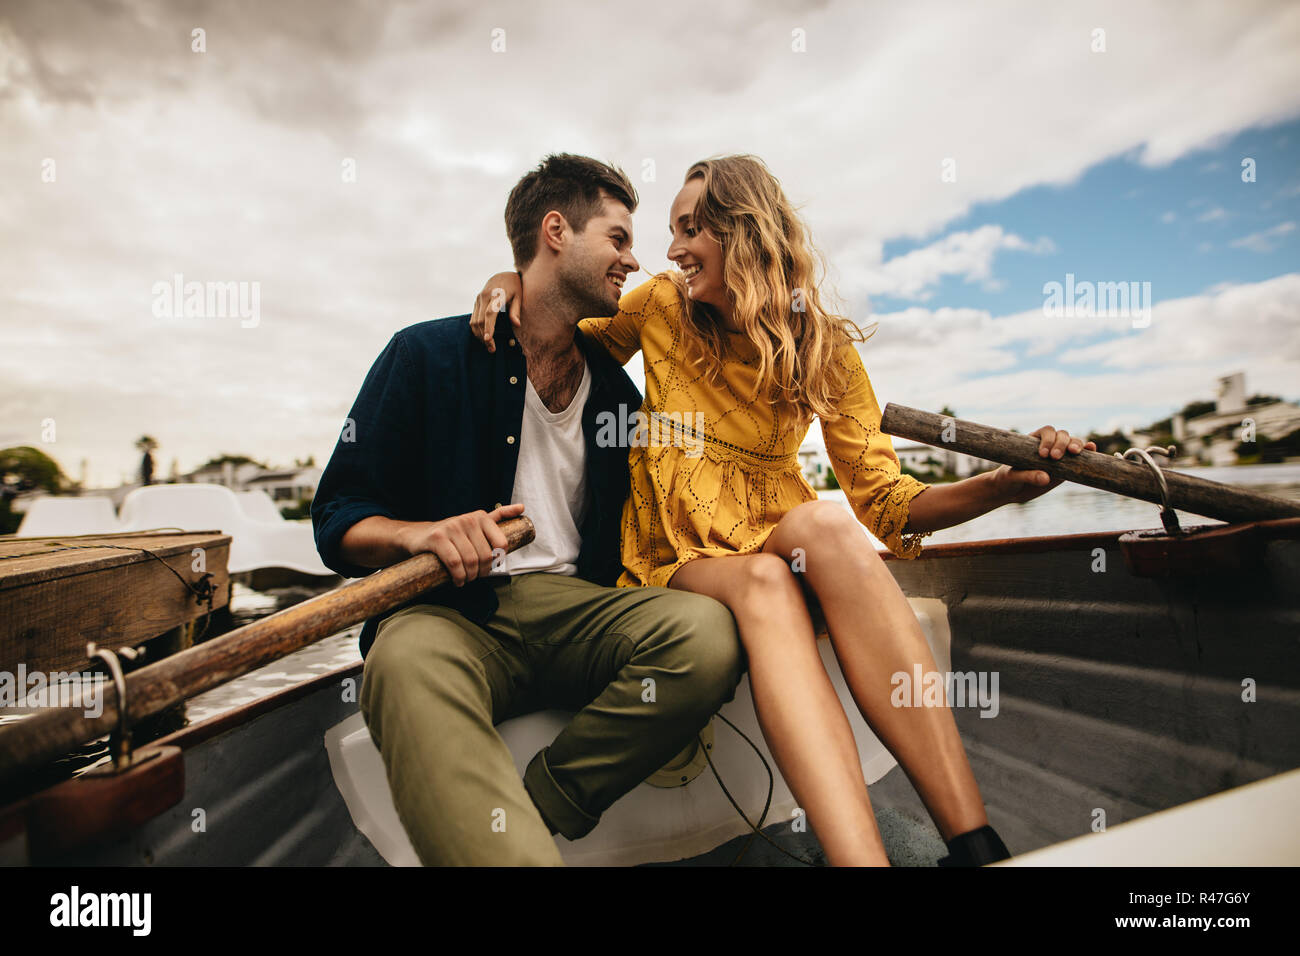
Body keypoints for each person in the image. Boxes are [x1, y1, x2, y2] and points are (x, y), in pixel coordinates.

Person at [469, 154, 1096, 867]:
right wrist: (507, 281)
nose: (670, 251)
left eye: (690, 229)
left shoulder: (822, 348)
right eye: (671, 232)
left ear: (745, 230)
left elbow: (888, 504)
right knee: (766, 583)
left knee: (828, 523)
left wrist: (1003, 486)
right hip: (673, 553)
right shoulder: (661, 308)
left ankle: (976, 843)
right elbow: (558, 328)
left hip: (777, 535)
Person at [312, 154, 746, 866]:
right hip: (448, 614)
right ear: (556, 232)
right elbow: (337, 517)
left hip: (580, 612)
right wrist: (422, 535)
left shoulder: (616, 397)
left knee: (704, 635)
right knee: (400, 662)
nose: (634, 261)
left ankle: (543, 804)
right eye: (618, 239)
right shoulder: (424, 355)